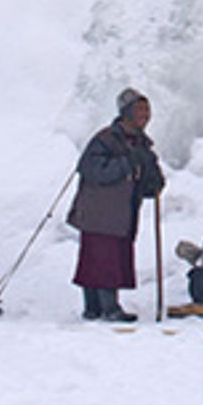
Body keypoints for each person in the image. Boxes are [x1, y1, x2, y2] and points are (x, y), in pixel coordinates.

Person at [66, 87, 166, 321]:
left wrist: (153, 181)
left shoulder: (141, 144)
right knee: (102, 260)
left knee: (105, 258)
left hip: (120, 215)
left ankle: (95, 308)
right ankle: (107, 308)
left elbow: (149, 179)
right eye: (139, 109)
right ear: (126, 113)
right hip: (100, 213)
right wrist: (127, 164)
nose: (144, 115)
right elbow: (93, 170)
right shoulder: (105, 140)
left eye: (146, 110)